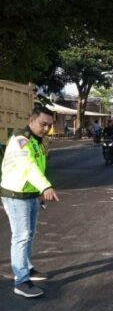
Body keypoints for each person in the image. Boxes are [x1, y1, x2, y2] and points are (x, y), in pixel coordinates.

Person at [1, 106, 60, 298]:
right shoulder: (21, 140)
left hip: (31, 194)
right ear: (31, 120)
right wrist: (45, 187)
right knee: (21, 236)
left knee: (30, 234)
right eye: (43, 124)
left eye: (49, 126)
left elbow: (39, 167)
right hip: (16, 195)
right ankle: (21, 281)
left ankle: (27, 268)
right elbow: (28, 167)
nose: (46, 129)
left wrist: (39, 191)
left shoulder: (37, 141)